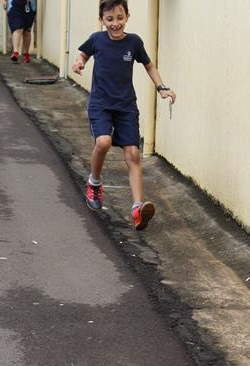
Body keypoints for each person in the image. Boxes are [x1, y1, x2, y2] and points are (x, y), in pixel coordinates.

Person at [71, 0, 176, 230]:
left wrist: (162, 87)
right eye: (109, 19)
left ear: (128, 16)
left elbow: (149, 65)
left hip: (126, 106)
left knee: (133, 154)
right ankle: (94, 183)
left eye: (120, 18)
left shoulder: (134, 42)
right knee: (103, 142)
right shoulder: (97, 39)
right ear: (102, 20)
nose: (115, 23)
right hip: (101, 104)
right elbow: (83, 55)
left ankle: (138, 208)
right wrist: (79, 63)